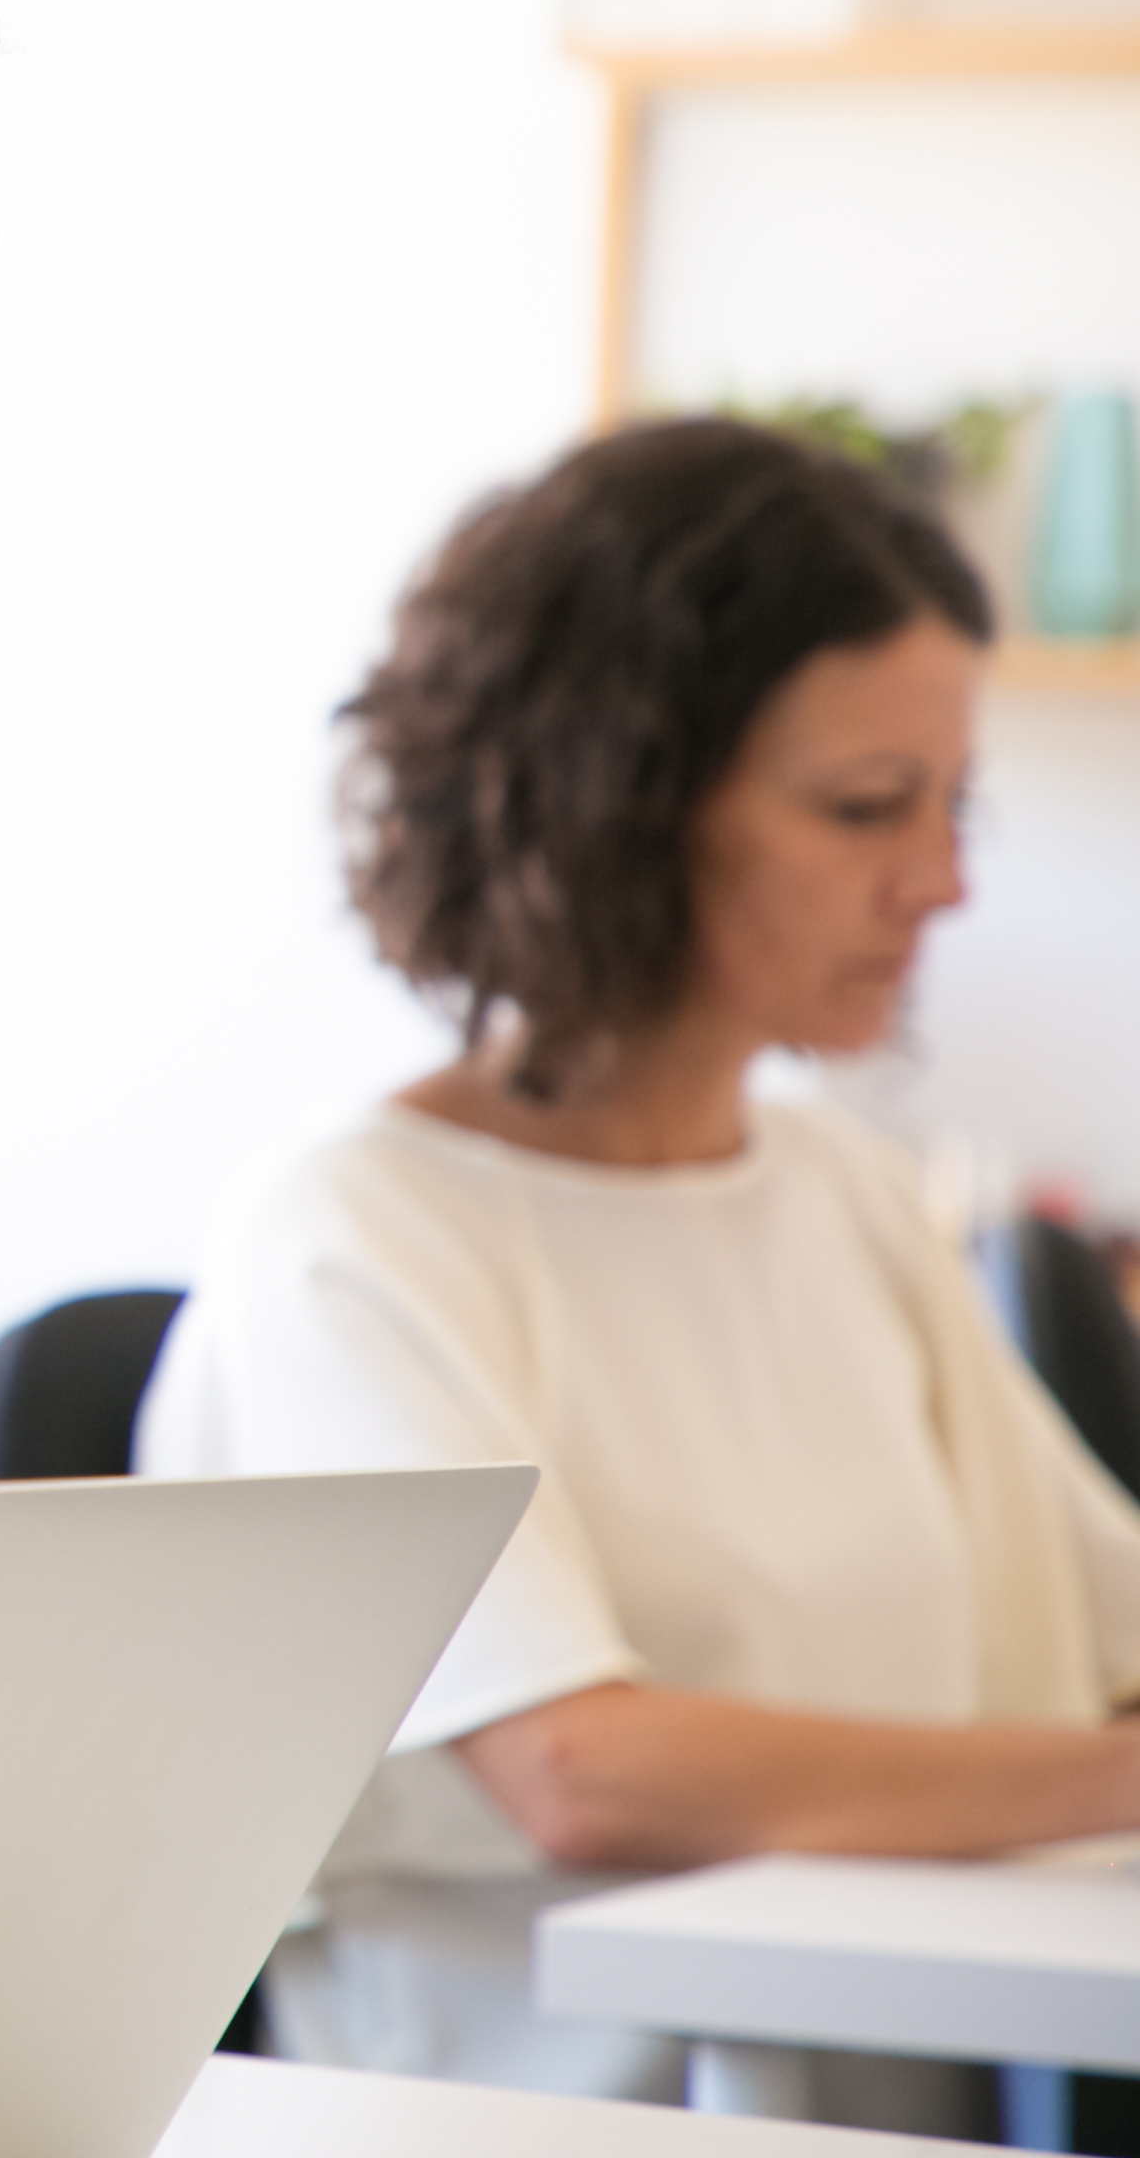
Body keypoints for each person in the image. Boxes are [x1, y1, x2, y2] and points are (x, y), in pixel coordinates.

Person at [138, 418, 1140, 2134]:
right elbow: (581, 1774)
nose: (945, 882)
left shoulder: (836, 1185)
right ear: (617, 804)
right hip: (546, 2119)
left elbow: (1106, 1632)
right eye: (864, 808)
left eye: (951, 804)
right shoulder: (358, 1233)